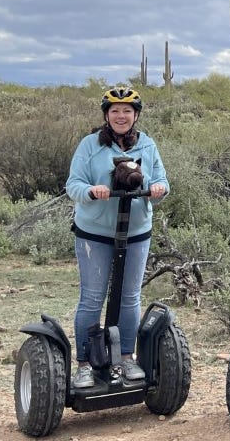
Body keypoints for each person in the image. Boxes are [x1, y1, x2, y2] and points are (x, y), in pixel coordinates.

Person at [65, 85, 169, 389]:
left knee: (129, 297)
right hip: (95, 234)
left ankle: (125, 358)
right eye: (115, 111)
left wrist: (160, 189)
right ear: (106, 115)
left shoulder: (147, 145)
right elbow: (73, 184)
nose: (121, 116)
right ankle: (85, 364)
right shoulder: (90, 145)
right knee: (92, 298)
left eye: (127, 111)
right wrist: (90, 191)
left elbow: (162, 180)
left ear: (135, 115)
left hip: (136, 231)